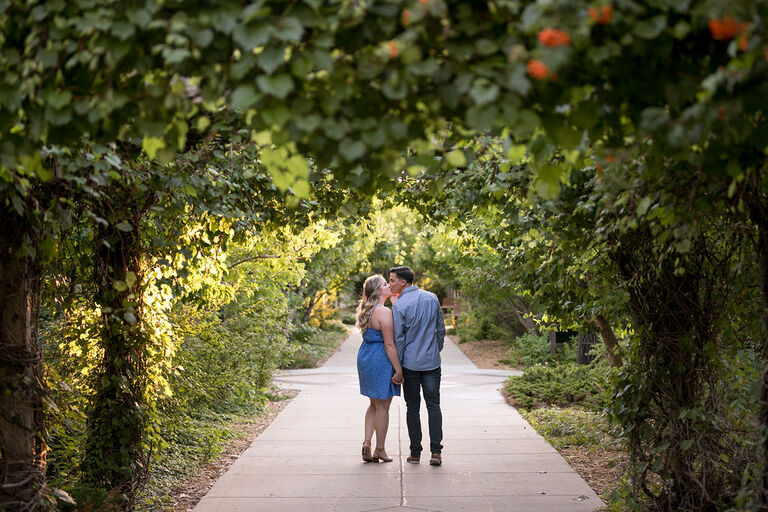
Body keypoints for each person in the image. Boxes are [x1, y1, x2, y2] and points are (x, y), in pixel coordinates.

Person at [389, 265, 446, 466]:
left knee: (412, 407)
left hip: (410, 364)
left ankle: (415, 453)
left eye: (392, 280)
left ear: (403, 282)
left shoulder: (399, 306)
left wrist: (399, 367)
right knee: (434, 405)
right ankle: (436, 452)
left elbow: (399, 338)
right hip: (432, 363)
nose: (390, 284)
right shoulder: (432, 298)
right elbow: (441, 330)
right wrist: (434, 350)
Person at [356, 274, 403, 463]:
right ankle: (380, 449)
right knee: (383, 405)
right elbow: (389, 345)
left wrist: (394, 300)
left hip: (366, 356)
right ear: (377, 290)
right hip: (380, 359)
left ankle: (367, 442)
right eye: (385, 284)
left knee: (373, 404)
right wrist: (398, 369)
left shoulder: (367, 310)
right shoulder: (383, 312)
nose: (389, 285)